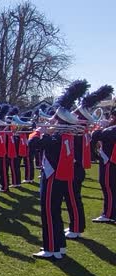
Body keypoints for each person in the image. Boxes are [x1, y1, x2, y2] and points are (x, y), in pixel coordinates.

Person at [31, 80, 89, 259]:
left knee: (49, 212)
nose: (51, 121)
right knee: (55, 212)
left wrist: (40, 131)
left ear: (60, 121)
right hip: (61, 177)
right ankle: (60, 246)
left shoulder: (55, 138)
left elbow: (32, 144)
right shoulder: (66, 136)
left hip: (52, 179)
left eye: (54, 119)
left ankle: (50, 248)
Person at [64, 85, 114, 238]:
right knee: (73, 198)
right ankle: (75, 226)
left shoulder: (78, 132)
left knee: (73, 198)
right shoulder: (81, 131)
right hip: (76, 167)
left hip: (75, 167)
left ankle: (76, 228)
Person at [91, 108, 116, 223]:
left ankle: (109, 214)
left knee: (108, 187)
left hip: (109, 162)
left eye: (111, 117)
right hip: (111, 160)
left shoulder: (111, 130)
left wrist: (100, 127)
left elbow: (95, 136)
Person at [0, 105, 11, 194]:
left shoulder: (2, 133)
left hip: (2, 154)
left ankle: (5, 186)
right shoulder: (0, 132)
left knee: (3, 171)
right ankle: (2, 186)